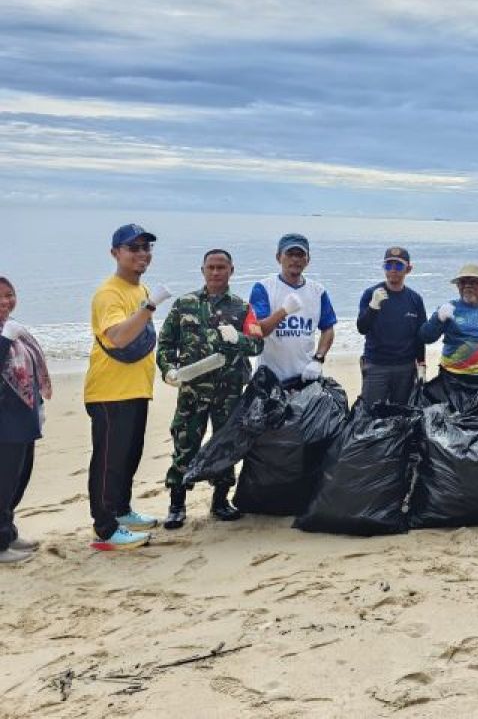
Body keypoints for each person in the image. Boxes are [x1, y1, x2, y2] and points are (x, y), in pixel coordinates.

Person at [156, 249, 264, 529]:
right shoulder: (184, 304)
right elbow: (165, 344)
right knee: (185, 443)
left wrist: (238, 337)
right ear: (202, 270)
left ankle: (220, 501)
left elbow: (257, 344)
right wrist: (167, 370)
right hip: (192, 390)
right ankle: (177, 504)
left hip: (228, 391)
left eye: (221, 267)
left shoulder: (242, 308)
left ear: (232, 270)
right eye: (211, 267)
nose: (216, 272)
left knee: (225, 444)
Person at [85, 223, 172, 551]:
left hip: (135, 389)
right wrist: (150, 307)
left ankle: (121, 511)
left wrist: (147, 303)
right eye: (133, 248)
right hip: (110, 392)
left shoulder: (139, 288)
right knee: (109, 461)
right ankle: (106, 529)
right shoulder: (110, 292)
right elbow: (119, 336)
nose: (142, 254)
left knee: (128, 456)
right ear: (115, 253)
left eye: (146, 248)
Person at [0, 277, 51, 563]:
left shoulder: (15, 329)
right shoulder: (8, 333)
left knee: (18, 481)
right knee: (2, 483)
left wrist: (39, 406)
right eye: (0, 297)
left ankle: (7, 532)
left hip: (24, 418)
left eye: (10, 294)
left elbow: (30, 370)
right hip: (4, 423)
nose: (6, 301)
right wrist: (5, 338)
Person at [249, 233, 336, 383]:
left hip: (306, 375)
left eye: (300, 254)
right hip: (270, 378)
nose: (295, 259)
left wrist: (318, 359)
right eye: (290, 254)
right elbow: (258, 331)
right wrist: (283, 312)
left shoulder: (318, 291)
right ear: (278, 257)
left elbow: (328, 328)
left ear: (307, 260)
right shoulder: (263, 288)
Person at [356, 246, 427, 407]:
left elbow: (419, 336)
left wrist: (422, 364)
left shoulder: (415, 299)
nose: (393, 270)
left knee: (402, 414)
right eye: (388, 265)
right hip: (376, 365)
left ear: (408, 269)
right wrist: (373, 307)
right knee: (370, 413)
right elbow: (362, 328)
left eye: (398, 265)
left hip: (405, 367)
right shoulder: (371, 294)